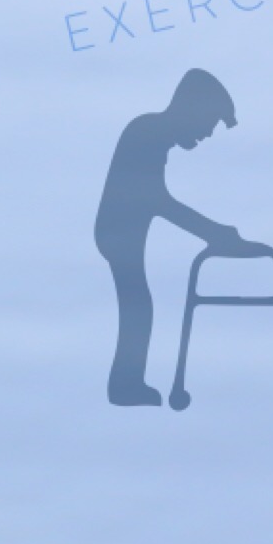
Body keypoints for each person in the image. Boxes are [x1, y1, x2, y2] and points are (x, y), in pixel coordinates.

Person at [92, 70, 244, 406]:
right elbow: (156, 200)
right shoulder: (147, 133)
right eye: (208, 123)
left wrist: (212, 232)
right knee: (138, 306)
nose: (207, 133)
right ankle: (124, 387)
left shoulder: (151, 134)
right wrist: (212, 231)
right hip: (117, 234)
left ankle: (126, 384)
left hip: (123, 233)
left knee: (138, 305)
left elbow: (155, 200)